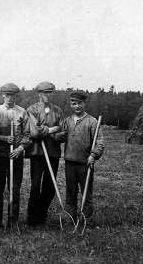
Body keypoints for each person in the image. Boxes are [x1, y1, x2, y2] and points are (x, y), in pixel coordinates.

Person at [0, 83, 35, 228]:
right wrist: (3, 138)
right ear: (3, 95)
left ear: (16, 96)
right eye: (7, 95)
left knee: (15, 189)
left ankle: (13, 221)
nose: (10, 98)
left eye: (13, 95)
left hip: (16, 157)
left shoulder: (22, 112)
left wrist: (20, 148)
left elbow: (28, 135)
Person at [59, 91, 104, 223]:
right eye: (74, 103)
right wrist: (54, 134)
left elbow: (99, 142)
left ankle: (86, 220)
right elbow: (59, 137)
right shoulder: (67, 121)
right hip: (69, 162)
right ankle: (70, 219)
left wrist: (93, 155)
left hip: (85, 163)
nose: (77, 106)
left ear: (84, 103)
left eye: (79, 103)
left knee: (86, 193)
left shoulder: (92, 121)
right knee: (70, 192)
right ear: (70, 104)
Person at [25, 81, 64, 227]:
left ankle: (41, 217)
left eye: (50, 92)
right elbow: (35, 132)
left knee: (50, 186)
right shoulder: (32, 110)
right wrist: (53, 129)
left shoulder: (58, 111)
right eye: (45, 92)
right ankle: (32, 218)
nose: (48, 95)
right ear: (39, 94)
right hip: (37, 153)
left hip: (53, 153)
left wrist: (49, 131)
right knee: (35, 186)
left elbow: (62, 131)